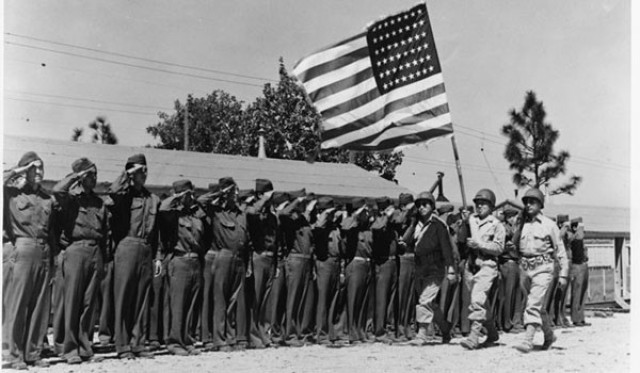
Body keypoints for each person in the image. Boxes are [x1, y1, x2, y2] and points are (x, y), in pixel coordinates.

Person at [3, 151, 58, 369]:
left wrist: (53, 259)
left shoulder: (47, 198)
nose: (39, 172)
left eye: (41, 168)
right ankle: (14, 355)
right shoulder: (12, 194)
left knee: (40, 305)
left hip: (44, 251)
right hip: (23, 247)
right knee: (18, 303)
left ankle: (33, 353)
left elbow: (52, 231)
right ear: (26, 171)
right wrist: (20, 171)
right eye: (35, 168)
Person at [52, 158, 109, 364]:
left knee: (88, 304)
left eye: (95, 174)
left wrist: (104, 258)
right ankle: (70, 349)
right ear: (81, 176)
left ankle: (85, 347)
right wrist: (76, 176)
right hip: (75, 250)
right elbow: (57, 190)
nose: (93, 178)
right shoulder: (71, 199)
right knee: (73, 302)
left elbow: (105, 231)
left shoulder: (99, 202)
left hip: (95, 251)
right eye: (89, 174)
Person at [108, 154, 160, 359]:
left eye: (145, 170)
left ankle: (138, 343)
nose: (144, 174)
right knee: (123, 297)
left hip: (146, 248)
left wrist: (157, 257)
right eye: (140, 171)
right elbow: (113, 191)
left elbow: (156, 234)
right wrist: (127, 173)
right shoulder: (124, 195)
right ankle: (122, 345)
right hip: (127, 246)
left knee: (141, 298)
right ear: (131, 173)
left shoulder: (152, 198)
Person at [514, 188, 568, 353]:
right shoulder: (521, 224)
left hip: (543, 267)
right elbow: (517, 248)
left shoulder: (549, 225)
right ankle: (549, 335)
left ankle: (528, 340)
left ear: (540, 204)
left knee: (533, 303)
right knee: (538, 307)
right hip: (525, 267)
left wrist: (564, 274)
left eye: (532, 202)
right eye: (526, 202)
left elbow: (560, 250)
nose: (528, 205)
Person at [157, 180, 207, 356]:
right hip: (179, 261)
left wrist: (193, 200)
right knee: (177, 304)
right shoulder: (172, 215)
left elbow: (205, 212)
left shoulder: (195, 215)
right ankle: (174, 341)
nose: (191, 197)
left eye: (192, 194)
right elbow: (162, 209)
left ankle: (187, 339)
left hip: (194, 261)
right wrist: (177, 196)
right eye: (187, 194)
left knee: (191, 304)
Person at [201, 177, 250, 351]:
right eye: (232, 191)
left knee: (234, 301)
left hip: (239, 258)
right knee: (220, 300)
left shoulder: (241, 213)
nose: (235, 194)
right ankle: (219, 339)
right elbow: (201, 201)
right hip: (223, 257)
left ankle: (231, 337)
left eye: (236, 191)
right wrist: (220, 192)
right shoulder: (216, 211)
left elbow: (247, 239)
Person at [403, 192, 456, 346]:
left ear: (432, 206)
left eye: (425, 204)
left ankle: (422, 334)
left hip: (435, 268)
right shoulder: (415, 225)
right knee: (430, 304)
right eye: (419, 204)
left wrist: (451, 269)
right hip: (420, 269)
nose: (421, 207)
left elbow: (446, 249)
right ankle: (445, 328)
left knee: (424, 301)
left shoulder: (439, 225)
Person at [460, 189, 505, 349]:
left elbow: (499, 248)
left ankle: (473, 336)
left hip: (487, 263)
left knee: (477, 300)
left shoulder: (497, 225)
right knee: (481, 302)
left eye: (483, 204)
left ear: (491, 206)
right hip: (471, 264)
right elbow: (461, 239)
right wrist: (464, 223)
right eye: (477, 203)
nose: (479, 206)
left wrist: (480, 245)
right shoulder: (470, 220)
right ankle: (492, 333)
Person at [279, 191, 317, 347]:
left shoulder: (303, 219)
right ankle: (290, 334)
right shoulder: (290, 219)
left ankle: (301, 332)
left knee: (303, 300)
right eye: (302, 202)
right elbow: (282, 213)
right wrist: (297, 201)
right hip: (295, 260)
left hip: (307, 261)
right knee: (293, 299)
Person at [245, 179, 278, 349]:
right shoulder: (252, 211)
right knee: (255, 300)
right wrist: (263, 199)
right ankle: (253, 336)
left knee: (267, 300)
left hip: (270, 259)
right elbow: (251, 213)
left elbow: (277, 241)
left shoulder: (272, 216)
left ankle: (265, 335)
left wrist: (277, 263)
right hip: (257, 257)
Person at [311, 196, 343, 345]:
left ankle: (331, 333)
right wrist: (325, 214)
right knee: (323, 300)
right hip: (324, 263)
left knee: (333, 299)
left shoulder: (335, 227)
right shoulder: (319, 226)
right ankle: (321, 334)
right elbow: (318, 228)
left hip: (335, 263)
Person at [370, 197, 398, 344]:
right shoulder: (377, 220)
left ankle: (388, 329)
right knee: (381, 299)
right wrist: (386, 216)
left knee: (391, 299)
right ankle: (379, 331)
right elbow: (377, 228)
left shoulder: (389, 222)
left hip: (393, 261)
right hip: (383, 262)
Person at [198, 183, 220, 351]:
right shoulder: (204, 211)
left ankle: (216, 333)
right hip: (208, 256)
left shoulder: (222, 212)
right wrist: (217, 193)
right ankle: (205, 336)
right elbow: (201, 201)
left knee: (218, 297)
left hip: (220, 256)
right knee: (206, 298)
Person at [391, 193, 416, 342]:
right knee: (401, 295)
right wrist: (407, 212)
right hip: (403, 258)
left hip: (414, 258)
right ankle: (398, 328)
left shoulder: (415, 219)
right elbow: (400, 221)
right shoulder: (398, 217)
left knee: (410, 297)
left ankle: (407, 326)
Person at [496, 206, 522, 332]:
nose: (513, 219)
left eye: (514, 216)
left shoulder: (514, 228)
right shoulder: (503, 228)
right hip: (507, 262)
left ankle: (514, 321)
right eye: (511, 217)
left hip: (515, 262)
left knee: (516, 294)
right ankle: (505, 323)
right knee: (507, 294)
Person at [568, 217, 590, 327]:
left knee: (583, 293)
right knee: (576, 293)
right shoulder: (573, 237)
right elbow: (576, 237)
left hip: (583, 265)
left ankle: (581, 317)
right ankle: (576, 318)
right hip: (576, 266)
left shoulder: (580, 238)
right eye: (580, 226)